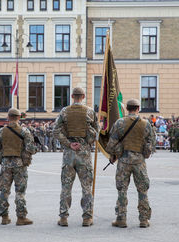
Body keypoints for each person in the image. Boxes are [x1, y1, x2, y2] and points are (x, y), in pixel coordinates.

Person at [106, 99, 156, 228]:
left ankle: (121, 218)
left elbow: (111, 144)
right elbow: (150, 144)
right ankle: (144, 220)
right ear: (138, 108)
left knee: (122, 190)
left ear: (127, 108)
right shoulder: (146, 124)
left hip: (123, 161)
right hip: (139, 161)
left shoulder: (120, 123)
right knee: (142, 190)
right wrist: (145, 154)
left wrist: (115, 155)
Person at [53, 87, 98, 227]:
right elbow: (96, 132)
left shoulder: (64, 111)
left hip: (69, 154)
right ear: (83, 96)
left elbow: (56, 131)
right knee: (86, 187)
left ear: (72, 96)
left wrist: (68, 143)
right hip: (84, 153)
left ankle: (63, 217)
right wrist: (86, 144)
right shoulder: (90, 112)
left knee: (66, 187)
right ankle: (87, 218)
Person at [0, 108, 37, 225]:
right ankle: (21, 217)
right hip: (20, 164)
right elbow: (31, 149)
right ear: (19, 118)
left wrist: (1, 161)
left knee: (4, 190)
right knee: (20, 191)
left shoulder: (1, 132)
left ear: (8, 117)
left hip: (6, 164)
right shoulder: (24, 131)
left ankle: (4, 217)